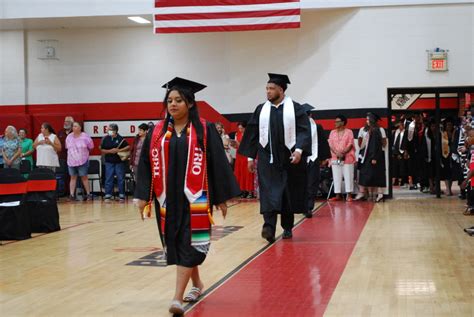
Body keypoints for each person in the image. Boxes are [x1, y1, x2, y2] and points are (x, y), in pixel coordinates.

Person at [134, 77, 240, 315]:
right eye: (169, 100)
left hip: (196, 199)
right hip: (166, 199)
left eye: (178, 100)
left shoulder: (204, 129)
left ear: (190, 103)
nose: (172, 105)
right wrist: (142, 195)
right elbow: (145, 164)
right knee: (178, 244)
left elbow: (217, 164)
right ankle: (198, 284)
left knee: (190, 245)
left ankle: (176, 298)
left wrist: (221, 196)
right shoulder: (157, 131)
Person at [238, 73, 311, 242]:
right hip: (267, 160)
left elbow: (303, 130)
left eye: (271, 89)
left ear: (281, 90)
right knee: (268, 193)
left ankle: (287, 227)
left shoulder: (296, 108)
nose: (268, 92)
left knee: (287, 195)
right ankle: (269, 227)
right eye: (267, 89)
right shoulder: (261, 109)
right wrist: (250, 158)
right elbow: (253, 133)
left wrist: (299, 150)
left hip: (289, 159)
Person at [304, 104, 330, 217]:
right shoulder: (298, 127)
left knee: (312, 183)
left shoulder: (317, 127)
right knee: (302, 184)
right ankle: (303, 205)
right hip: (301, 159)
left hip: (314, 159)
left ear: (310, 115)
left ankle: (309, 207)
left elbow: (323, 143)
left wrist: (324, 158)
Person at [356, 113, 386, 202]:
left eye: (368, 120)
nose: (366, 121)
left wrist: (374, 157)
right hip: (368, 155)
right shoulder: (370, 130)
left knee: (376, 175)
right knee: (369, 175)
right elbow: (362, 143)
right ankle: (370, 195)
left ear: (372, 120)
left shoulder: (376, 131)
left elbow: (375, 145)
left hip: (374, 156)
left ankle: (379, 194)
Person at [328, 114, 355, 201]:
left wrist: (343, 153)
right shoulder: (332, 132)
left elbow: (350, 144)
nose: (335, 123)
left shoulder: (349, 132)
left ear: (343, 122)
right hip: (335, 158)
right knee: (336, 176)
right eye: (335, 121)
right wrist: (337, 153)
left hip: (347, 158)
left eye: (337, 121)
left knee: (348, 176)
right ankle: (337, 195)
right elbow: (330, 144)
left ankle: (349, 195)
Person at [100, 123, 130, 202]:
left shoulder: (120, 138)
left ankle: (121, 195)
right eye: (108, 129)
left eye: (110, 129)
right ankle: (108, 195)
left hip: (119, 162)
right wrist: (110, 151)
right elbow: (102, 149)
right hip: (109, 162)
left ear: (115, 131)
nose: (108, 131)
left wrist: (118, 150)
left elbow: (128, 146)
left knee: (120, 178)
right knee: (109, 178)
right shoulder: (106, 138)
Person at [65, 122, 94, 201]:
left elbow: (91, 147)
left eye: (75, 126)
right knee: (73, 177)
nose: (73, 128)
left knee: (84, 177)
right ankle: (71, 195)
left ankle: (88, 194)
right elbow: (67, 147)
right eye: (73, 126)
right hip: (71, 161)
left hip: (82, 160)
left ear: (80, 128)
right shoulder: (69, 137)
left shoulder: (85, 136)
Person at [233, 122, 255, 198]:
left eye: (242, 128)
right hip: (239, 155)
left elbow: (251, 146)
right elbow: (236, 145)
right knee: (240, 173)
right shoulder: (237, 134)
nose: (240, 130)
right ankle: (243, 190)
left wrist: (241, 145)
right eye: (239, 128)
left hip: (247, 155)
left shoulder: (250, 134)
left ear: (246, 128)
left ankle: (250, 191)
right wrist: (233, 144)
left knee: (248, 173)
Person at [57, 116, 74, 195]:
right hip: (62, 158)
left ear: (71, 123)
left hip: (73, 158)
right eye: (65, 121)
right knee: (64, 175)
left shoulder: (74, 132)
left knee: (72, 176)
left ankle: (71, 193)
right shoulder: (60, 132)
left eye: (67, 121)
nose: (65, 122)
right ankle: (64, 192)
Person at [390, 120, 408, 188]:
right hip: (394, 151)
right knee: (394, 167)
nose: (400, 126)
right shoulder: (395, 132)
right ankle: (395, 181)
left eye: (401, 125)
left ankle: (402, 181)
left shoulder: (405, 132)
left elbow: (405, 143)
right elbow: (393, 142)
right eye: (399, 125)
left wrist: (403, 152)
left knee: (402, 167)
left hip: (401, 151)